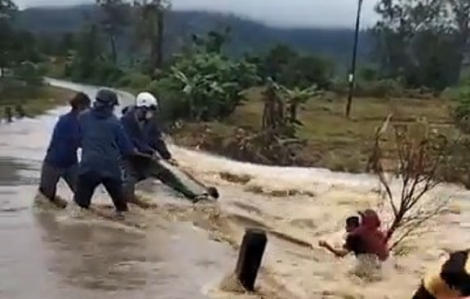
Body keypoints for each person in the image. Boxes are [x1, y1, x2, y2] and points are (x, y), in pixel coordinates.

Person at [73, 89, 140, 219]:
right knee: (122, 209)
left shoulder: (82, 117)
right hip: (110, 170)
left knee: (80, 208)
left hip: (88, 168)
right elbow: (126, 149)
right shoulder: (115, 123)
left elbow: (76, 140)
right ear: (110, 106)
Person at [38, 92, 91, 208]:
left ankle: (64, 210)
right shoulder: (69, 122)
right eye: (88, 107)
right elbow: (79, 140)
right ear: (81, 106)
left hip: (67, 163)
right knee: (46, 196)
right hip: (55, 163)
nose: (89, 110)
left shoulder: (73, 121)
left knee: (80, 196)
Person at [319, 209, 389, 280]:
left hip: (362, 270)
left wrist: (326, 245)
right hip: (378, 270)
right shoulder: (379, 234)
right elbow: (385, 256)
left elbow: (342, 254)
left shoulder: (354, 236)